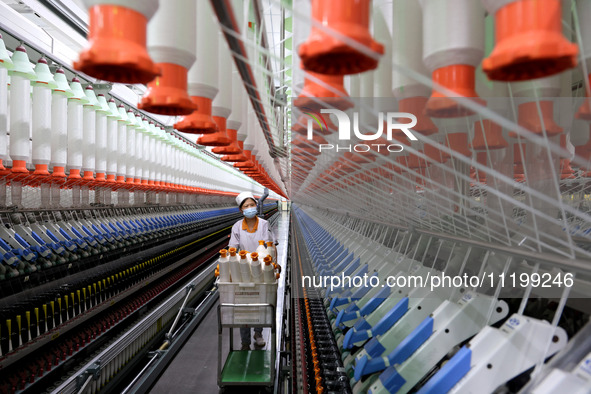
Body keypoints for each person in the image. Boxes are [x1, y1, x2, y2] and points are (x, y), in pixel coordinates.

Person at [229, 191, 275, 350]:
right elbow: (232, 248)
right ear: (241, 210)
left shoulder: (264, 224)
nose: (250, 208)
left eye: (252, 205)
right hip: (243, 270)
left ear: (256, 205)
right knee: (244, 305)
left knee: (260, 303)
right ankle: (245, 341)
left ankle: (258, 333)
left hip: (261, 268)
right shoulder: (236, 227)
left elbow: (269, 245)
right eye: (246, 206)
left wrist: (271, 264)